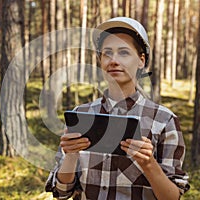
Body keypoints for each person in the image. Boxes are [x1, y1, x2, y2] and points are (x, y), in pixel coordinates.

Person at [45, 17, 189, 200]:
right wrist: (71, 156)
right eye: (107, 53)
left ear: (141, 61)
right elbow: (61, 192)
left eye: (123, 53)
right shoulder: (81, 115)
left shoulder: (164, 120)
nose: (113, 61)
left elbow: (172, 197)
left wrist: (149, 164)